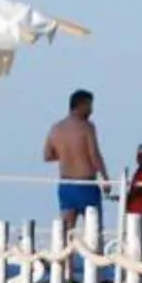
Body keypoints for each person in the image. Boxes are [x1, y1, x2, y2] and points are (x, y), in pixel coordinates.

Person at [41, 88, 109, 234]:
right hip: (86, 183)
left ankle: (66, 257)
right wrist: (105, 178)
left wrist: (66, 154)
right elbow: (94, 155)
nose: (92, 110)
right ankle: (91, 256)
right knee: (94, 230)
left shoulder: (56, 128)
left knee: (66, 231)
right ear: (81, 105)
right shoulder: (86, 127)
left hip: (66, 184)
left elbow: (47, 155)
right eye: (89, 106)